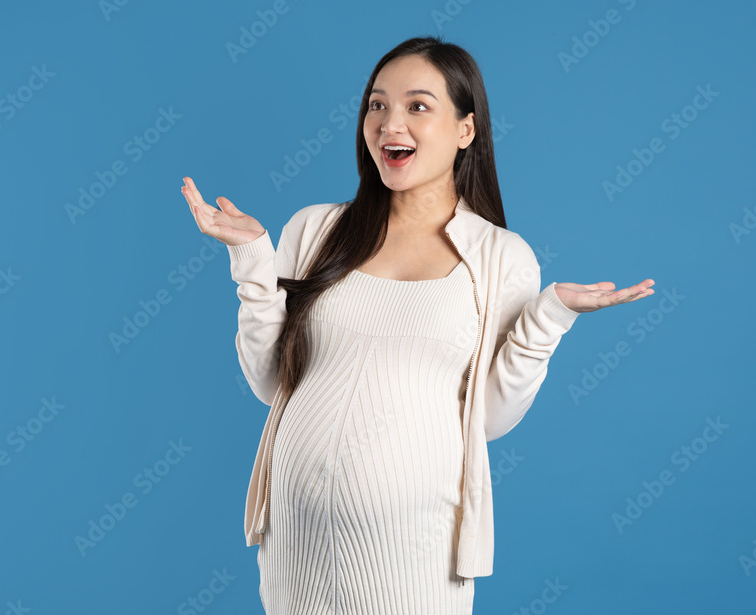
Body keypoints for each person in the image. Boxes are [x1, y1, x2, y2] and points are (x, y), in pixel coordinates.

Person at [180, 35, 654, 615]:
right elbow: (270, 382)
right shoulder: (315, 231)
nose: (388, 123)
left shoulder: (501, 258)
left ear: (466, 129)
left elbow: (489, 420)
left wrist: (549, 316)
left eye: (418, 106)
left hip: (415, 552)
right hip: (295, 544)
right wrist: (253, 259)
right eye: (377, 105)